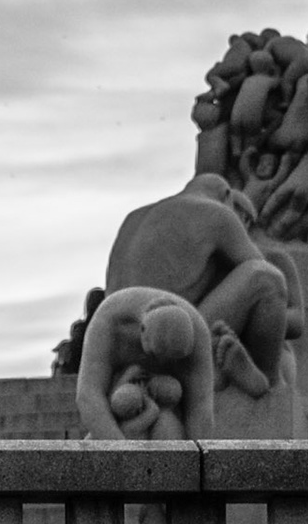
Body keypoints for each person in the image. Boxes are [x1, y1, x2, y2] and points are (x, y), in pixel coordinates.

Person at [105, 173, 290, 398]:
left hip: (117, 350)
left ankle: (214, 370)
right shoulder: (218, 213)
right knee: (267, 279)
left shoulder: (133, 218)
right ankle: (270, 382)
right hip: (168, 340)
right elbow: (266, 283)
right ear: (226, 196)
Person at [75, 288, 217, 440]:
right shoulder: (109, 320)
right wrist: (120, 453)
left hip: (169, 415)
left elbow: (200, 409)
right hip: (121, 408)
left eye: (175, 360)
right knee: (125, 405)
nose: (162, 364)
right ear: (142, 330)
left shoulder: (199, 334)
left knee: (167, 421)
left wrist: (200, 459)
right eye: (155, 355)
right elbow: (89, 396)